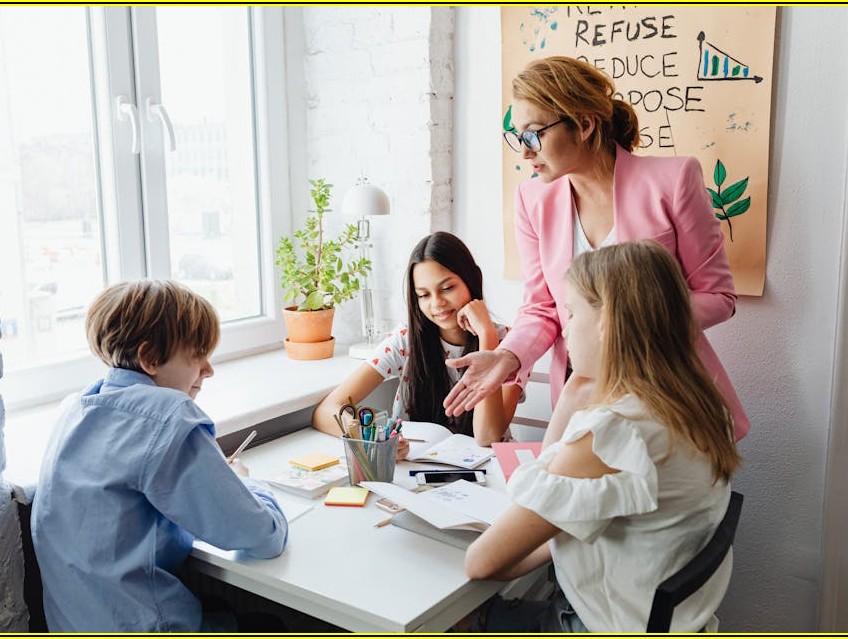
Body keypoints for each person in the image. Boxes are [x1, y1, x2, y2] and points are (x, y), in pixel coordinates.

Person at [442, 56, 749, 444]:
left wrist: (627, 322)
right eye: (518, 137)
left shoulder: (673, 180)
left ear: (585, 124)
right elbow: (542, 307)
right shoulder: (531, 199)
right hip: (582, 395)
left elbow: (719, 297)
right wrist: (508, 356)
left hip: (665, 390)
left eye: (534, 134)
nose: (524, 152)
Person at [464, 240, 740, 632]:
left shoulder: (615, 431)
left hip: (596, 623)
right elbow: (554, 492)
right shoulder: (698, 403)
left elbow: (481, 562)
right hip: (668, 620)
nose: (565, 327)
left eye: (572, 313)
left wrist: (531, 538)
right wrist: (578, 386)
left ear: (607, 321)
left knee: (450, 618)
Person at [31, 280, 288, 632]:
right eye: (198, 354)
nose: (208, 370)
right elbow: (262, 536)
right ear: (150, 358)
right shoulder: (167, 418)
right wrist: (247, 484)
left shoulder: (75, 410)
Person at [312, 232, 523, 452]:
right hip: (416, 471)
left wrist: (486, 336)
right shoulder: (405, 340)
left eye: (447, 288)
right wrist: (371, 439)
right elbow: (326, 411)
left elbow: (488, 436)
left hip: (487, 473)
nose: (437, 303)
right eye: (423, 295)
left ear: (472, 279)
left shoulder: (510, 346)